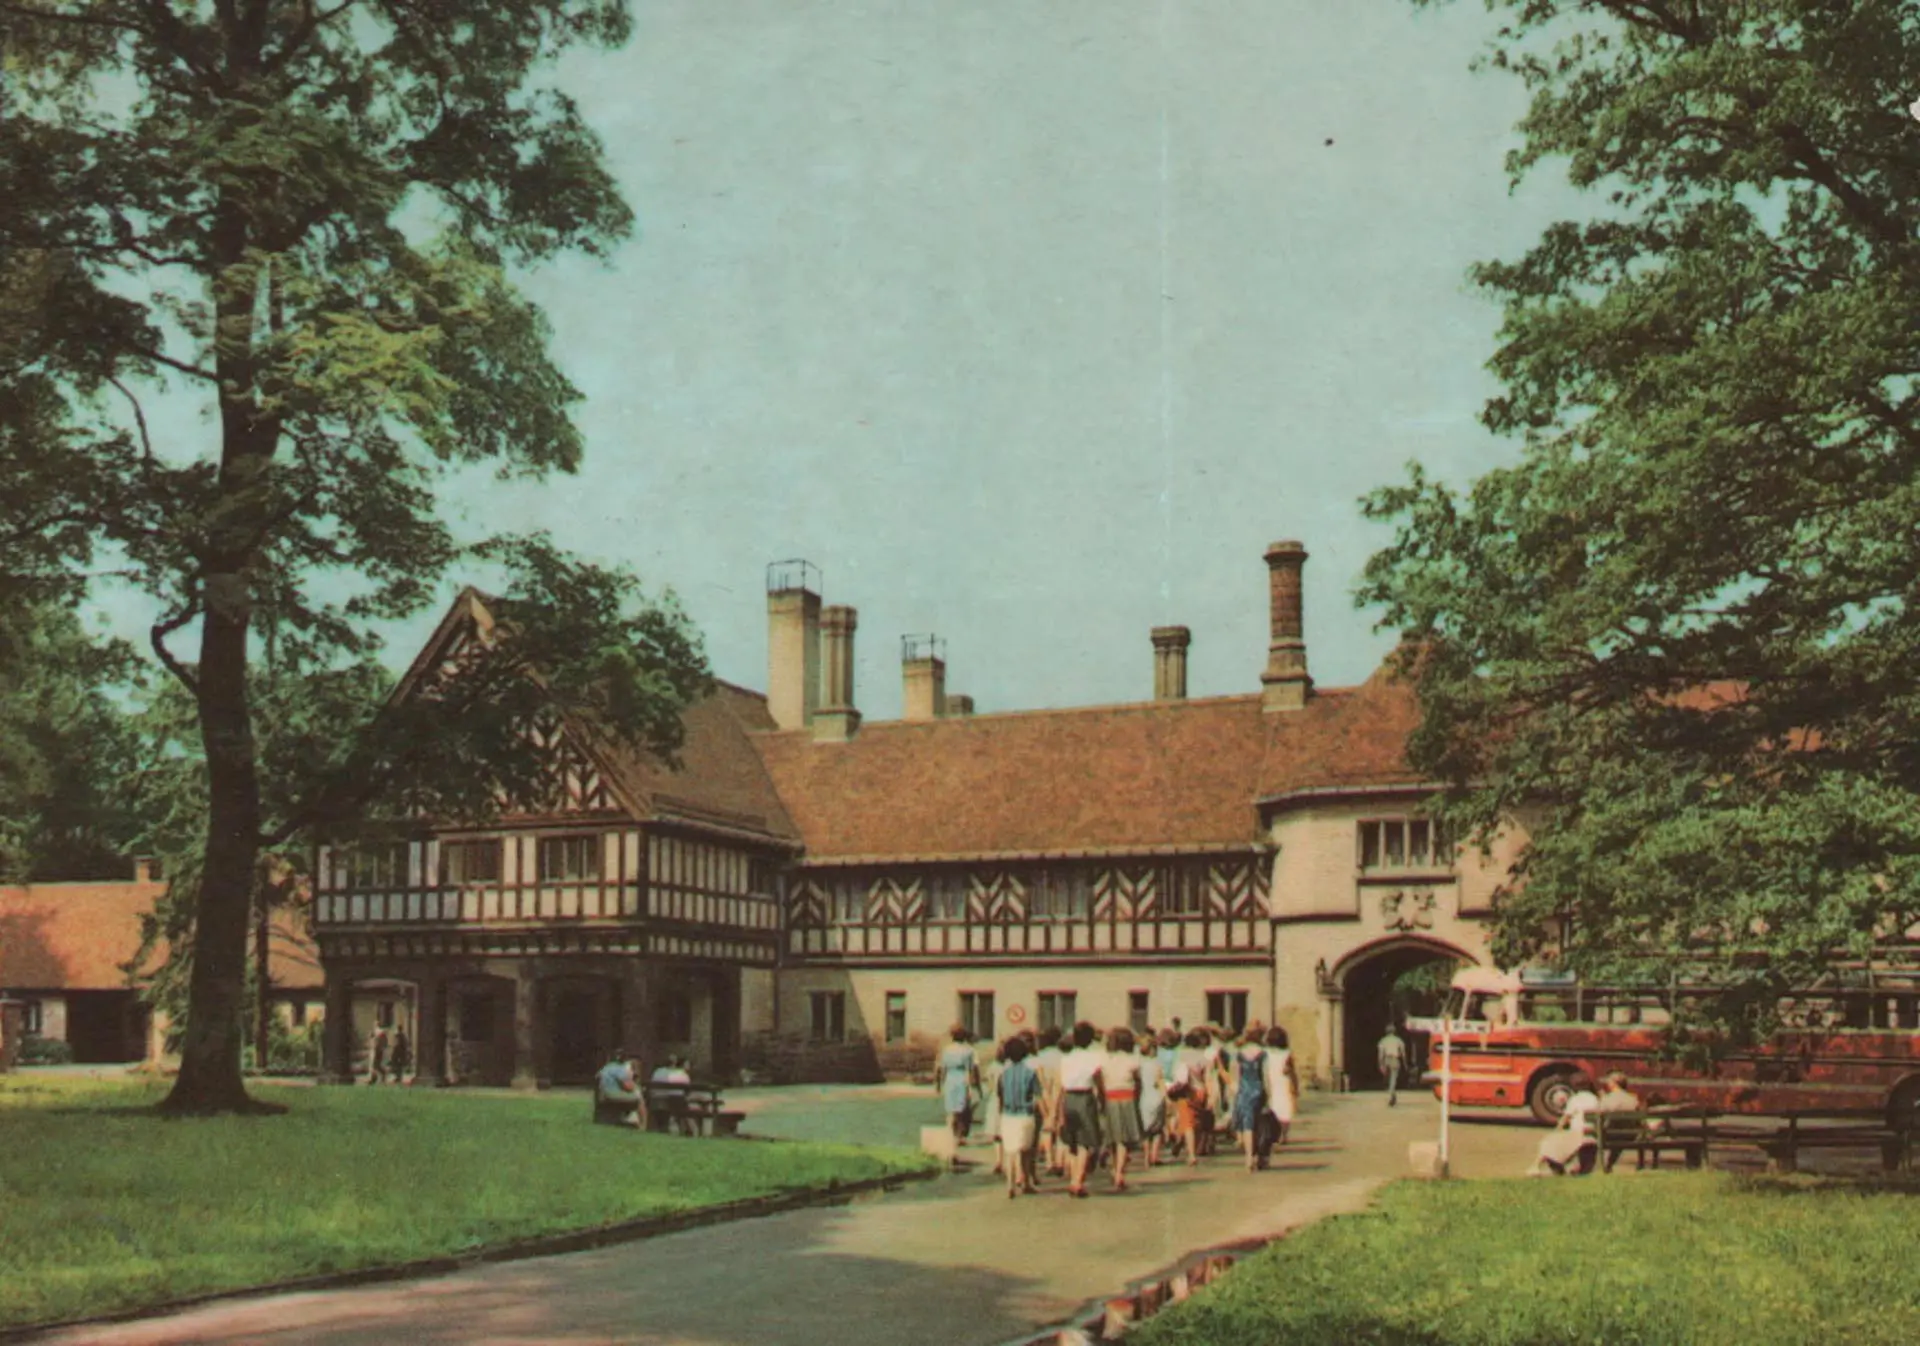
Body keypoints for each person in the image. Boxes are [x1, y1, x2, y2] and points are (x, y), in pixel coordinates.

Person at [1057, 1022, 1105, 1197]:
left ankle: (1072, 1179)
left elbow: (1060, 1085)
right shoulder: (1093, 1057)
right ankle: (1078, 1181)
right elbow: (1099, 1081)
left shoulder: (1066, 1058)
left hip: (1068, 1098)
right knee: (1086, 1141)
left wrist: (1057, 1110)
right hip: (1085, 1098)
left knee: (1072, 1141)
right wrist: (1102, 1100)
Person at [996, 1036, 1042, 1199]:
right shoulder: (1030, 1073)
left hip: (1008, 1114)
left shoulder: (1004, 1074)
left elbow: (999, 1096)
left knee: (1010, 1152)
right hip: (1025, 1114)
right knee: (1026, 1151)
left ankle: (1010, 1184)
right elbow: (1037, 1096)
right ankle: (1026, 1182)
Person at [1528, 1073, 1602, 1176]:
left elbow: (1564, 1120)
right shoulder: (1595, 1099)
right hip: (1592, 1134)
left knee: (1548, 1141)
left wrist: (1556, 1131)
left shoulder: (1575, 1100)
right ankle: (1566, 1166)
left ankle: (1536, 1166)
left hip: (1578, 1135)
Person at [1100, 1026, 1145, 1191]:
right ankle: (1119, 1173)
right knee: (1124, 1140)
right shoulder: (1132, 1059)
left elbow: (1100, 1079)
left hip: (1110, 1097)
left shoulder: (1105, 1059)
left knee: (1114, 1137)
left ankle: (1114, 1168)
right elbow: (1138, 1081)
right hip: (1127, 1097)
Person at [936, 1025, 980, 1168]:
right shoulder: (968, 1050)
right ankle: (959, 1136)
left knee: (951, 1108)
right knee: (962, 1108)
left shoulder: (946, 1050)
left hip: (950, 1079)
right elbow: (971, 1069)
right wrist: (974, 1085)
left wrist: (939, 1083)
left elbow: (941, 1068)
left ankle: (950, 1132)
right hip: (962, 1078)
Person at [1229, 1027, 1270, 1173]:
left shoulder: (1239, 1053)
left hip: (1244, 1091)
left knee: (1247, 1125)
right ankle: (1258, 1155)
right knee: (1258, 1124)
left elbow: (1235, 1075)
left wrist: (1234, 1092)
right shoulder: (1263, 1053)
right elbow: (1265, 1076)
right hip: (1258, 1090)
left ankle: (1248, 1158)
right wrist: (1269, 1095)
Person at [1259, 1025, 1299, 1162]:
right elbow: (1291, 1071)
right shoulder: (1287, 1053)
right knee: (1285, 1108)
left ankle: (1273, 1133)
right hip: (1283, 1081)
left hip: (1271, 1079)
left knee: (1273, 1107)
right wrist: (1296, 1086)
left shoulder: (1265, 1053)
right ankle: (1283, 1134)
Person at [1032, 1025, 1066, 1177]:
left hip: (1044, 1091)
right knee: (1060, 1127)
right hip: (1060, 1092)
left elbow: (1038, 1076)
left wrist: (1044, 1092)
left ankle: (1049, 1161)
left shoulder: (1040, 1056)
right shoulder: (1062, 1056)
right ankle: (1060, 1161)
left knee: (1046, 1127)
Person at [594, 1047, 645, 1128]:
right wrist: (635, 1085)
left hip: (603, 1095)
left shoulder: (607, 1067)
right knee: (639, 1098)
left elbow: (597, 1077)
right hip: (613, 1096)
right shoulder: (620, 1069)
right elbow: (628, 1087)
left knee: (635, 1095)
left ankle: (627, 1118)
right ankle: (642, 1125)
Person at [1137, 1032, 1167, 1168]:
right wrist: (1166, 1096)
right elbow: (1159, 1081)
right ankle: (1154, 1156)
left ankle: (1145, 1158)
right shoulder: (1157, 1064)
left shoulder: (1140, 1064)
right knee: (1157, 1130)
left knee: (1146, 1131)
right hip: (1156, 1096)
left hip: (1144, 1097)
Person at [651, 1054, 695, 1136]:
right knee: (682, 1104)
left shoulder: (657, 1071)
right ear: (675, 1063)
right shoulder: (679, 1073)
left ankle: (665, 1128)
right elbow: (687, 1091)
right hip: (671, 1102)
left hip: (655, 1100)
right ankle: (689, 1130)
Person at [1378, 1023, 1408, 1105]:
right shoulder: (1398, 1040)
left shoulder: (1383, 1041)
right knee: (1393, 1078)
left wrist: (1381, 1064)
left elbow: (1380, 1054)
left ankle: (1392, 1095)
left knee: (1388, 1079)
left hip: (1387, 1059)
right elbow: (1403, 1053)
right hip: (1395, 1059)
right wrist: (1405, 1063)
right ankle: (1392, 1095)